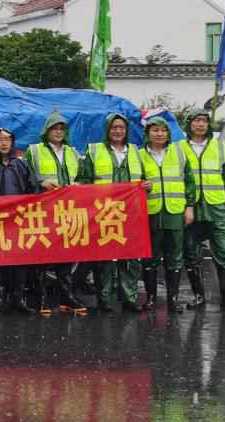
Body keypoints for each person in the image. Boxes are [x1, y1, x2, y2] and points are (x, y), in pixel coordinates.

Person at [178, 108, 225, 313]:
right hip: (190, 208)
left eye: (204, 121)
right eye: (196, 121)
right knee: (191, 253)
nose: (200, 124)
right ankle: (199, 297)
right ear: (189, 124)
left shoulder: (219, 147)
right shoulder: (178, 148)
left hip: (216, 207)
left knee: (224, 252)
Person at [24, 111, 87, 315]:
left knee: (67, 254)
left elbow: (85, 176)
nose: (58, 132)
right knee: (43, 254)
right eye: (54, 128)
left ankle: (66, 297)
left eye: (61, 128)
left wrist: (79, 184)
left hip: (68, 210)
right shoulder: (34, 151)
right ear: (47, 131)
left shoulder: (73, 152)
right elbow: (25, 177)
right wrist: (40, 183)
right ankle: (40, 298)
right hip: (44, 210)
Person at [79, 113, 142, 313]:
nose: (118, 131)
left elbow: (145, 177)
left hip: (131, 212)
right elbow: (85, 179)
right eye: (114, 127)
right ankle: (104, 299)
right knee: (104, 258)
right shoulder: (94, 150)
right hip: (103, 212)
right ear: (108, 129)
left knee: (131, 257)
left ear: (127, 130)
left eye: (121, 128)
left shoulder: (136, 151)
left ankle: (129, 298)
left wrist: (146, 185)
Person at [0, 127, 40, 314]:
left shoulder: (22, 165)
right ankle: (0, 299)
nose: (4, 143)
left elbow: (33, 190)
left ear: (12, 142)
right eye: (0, 140)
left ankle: (19, 298)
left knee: (20, 261)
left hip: (19, 222)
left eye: (7, 139)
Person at [138, 116, 195, 314]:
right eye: (155, 130)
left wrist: (189, 207)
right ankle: (151, 299)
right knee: (150, 258)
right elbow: (132, 182)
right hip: (150, 213)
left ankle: (173, 300)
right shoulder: (138, 155)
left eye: (163, 130)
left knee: (174, 258)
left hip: (175, 212)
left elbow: (189, 181)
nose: (159, 134)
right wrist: (140, 185)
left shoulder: (179, 153)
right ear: (148, 134)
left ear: (168, 134)